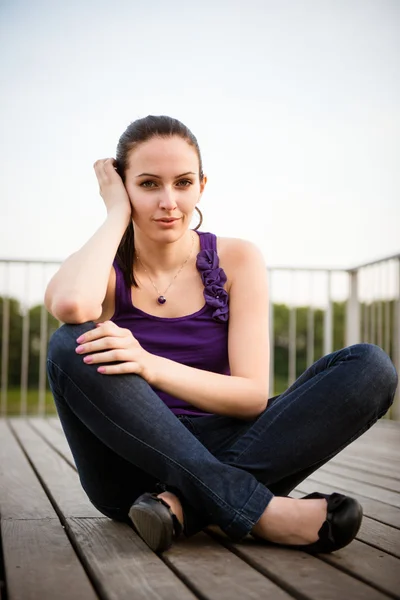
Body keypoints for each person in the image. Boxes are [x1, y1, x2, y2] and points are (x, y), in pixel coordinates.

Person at [45, 115, 398, 554]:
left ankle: (184, 507)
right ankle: (261, 512)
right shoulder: (103, 264)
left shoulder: (237, 259)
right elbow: (72, 308)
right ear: (123, 185)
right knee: (69, 342)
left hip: (221, 444)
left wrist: (151, 365)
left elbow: (250, 396)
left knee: (370, 367)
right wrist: (116, 212)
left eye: (183, 182)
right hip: (127, 467)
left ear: (202, 186)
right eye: (149, 184)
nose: (169, 201)